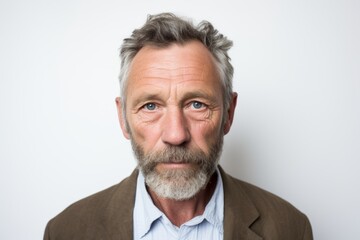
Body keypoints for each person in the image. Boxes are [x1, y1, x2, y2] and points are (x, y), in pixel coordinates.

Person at [44, 13, 313, 240]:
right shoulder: (66, 231)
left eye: (197, 105)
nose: (175, 135)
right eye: (150, 106)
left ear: (229, 114)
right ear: (123, 119)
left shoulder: (289, 228)